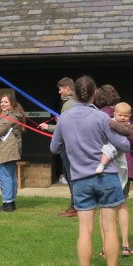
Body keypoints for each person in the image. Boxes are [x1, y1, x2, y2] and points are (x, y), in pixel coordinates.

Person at [49, 76, 130, 266]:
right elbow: (123, 143)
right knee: (110, 229)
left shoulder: (64, 118)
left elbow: (54, 148)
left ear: (75, 94)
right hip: (107, 178)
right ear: (94, 94)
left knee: (85, 231)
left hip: (80, 180)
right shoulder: (102, 118)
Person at [94, 89, 133, 258]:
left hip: (106, 167)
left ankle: (106, 247)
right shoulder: (125, 120)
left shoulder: (98, 116)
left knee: (104, 207)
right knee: (121, 205)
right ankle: (125, 245)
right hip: (123, 168)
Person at [40, 77, 79, 216]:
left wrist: (48, 127)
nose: (59, 91)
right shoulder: (74, 103)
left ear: (68, 89)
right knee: (70, 176)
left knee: (71, 176)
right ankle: (75, 205)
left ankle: (75, 206)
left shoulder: (69, 104)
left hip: (68, 147)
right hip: (72, 146)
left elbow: (65, 127)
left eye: (61, 88)